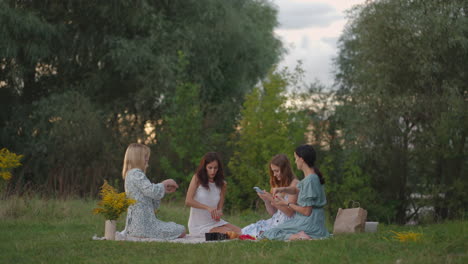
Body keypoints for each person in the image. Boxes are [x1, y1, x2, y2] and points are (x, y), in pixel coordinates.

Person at [259, 144, 330, 241]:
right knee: (273, 230)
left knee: (268, 233)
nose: (295, 161)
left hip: (309, 223)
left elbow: (306, 211)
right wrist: (282, 189)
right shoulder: (311, 177)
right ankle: (297, 235)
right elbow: (297, 190)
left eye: (296, 158)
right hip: (312, 221)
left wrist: (287, 203)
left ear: (302, 159)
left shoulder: (310, 180)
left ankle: (298, 236)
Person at [121, 143, 186, 239]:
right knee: (181, 229)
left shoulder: (131, 175)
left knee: (176, 227)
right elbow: (152, 191)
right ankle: (142, 234)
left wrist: (163, 189)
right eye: (145, 156)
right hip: (144, 226)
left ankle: (138, 233)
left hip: (139, 225)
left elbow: (152, 200)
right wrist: (164, 184)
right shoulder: (136, 174)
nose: (147, 159)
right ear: (137, 158)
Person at [241, 154, 299, 237]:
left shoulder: (294, 184)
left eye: (277, 171)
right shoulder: (278, 185)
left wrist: (271, 198)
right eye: (273, 171)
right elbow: (273, 212)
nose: (274, 174)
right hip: (275, 221)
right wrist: (266, 200)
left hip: (287, 223)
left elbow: (290, 212)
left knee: (255, 233)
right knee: (247, 230)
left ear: (285, 169)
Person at [185, 152, 241, 236]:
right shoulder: (197, 178)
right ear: (204, 167)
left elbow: (219, 208)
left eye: (215, 168)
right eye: (210, 168)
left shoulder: (222, 184)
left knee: (240, 231)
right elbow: (188, 201)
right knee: (230, 233)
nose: (213, 171)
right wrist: (207, 208)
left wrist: (219, 212)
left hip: (215, 222)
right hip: (198, 225)